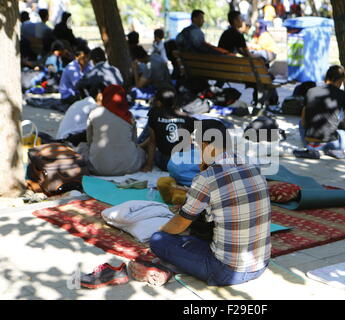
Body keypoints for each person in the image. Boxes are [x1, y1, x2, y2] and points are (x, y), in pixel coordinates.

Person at [140, 120, 271, 287]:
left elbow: (179, 224)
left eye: (199, 146)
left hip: (225, 271)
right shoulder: (253, 167)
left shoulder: (208, 177)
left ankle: (172, 264)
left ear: (205, 145)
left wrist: (162, 230)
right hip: (260, 264)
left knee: (159, 240)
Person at [294, 66, 345, 160]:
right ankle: (328, 148)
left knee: (301, 123)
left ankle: (315, 148)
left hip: (308, 141)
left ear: (326, 78)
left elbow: (303, 122)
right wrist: (341, 124)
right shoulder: (342, 95)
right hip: (332, 142)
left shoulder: (310, 91)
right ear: (340, 81)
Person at [82, 85, 148, 176]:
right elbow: (134, 141)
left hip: (98, 167)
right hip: (129, 167)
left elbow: (89, 141)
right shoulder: (129, 116)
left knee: (82, 148)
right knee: (141, 152)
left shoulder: (95, 113)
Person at [140, 88, 195, 171]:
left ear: (158, 102)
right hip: (183, 161)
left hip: (165, 161)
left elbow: (152, 141)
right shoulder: (187, 117)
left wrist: (148, 165)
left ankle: (140, 145)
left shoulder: (154, 113)